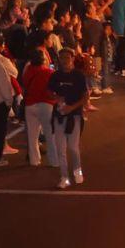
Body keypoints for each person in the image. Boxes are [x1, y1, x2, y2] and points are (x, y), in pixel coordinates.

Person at [48, 48, 89, 189]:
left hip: (74, 116)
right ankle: (64, 177)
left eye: (67, 57)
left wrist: (72, 107)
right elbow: (49, 91)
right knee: (60, 149)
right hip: (59, 115)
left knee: (73, 147)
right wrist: (56, 97)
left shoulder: (78, 76)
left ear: (72, 59)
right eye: (62, 57)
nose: (64, 60)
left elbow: (85, 96)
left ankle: (77, 171)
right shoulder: (55, 76)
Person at [22, 48, 59, 167]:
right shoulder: (48, 72)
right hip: (46, 104)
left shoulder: (27, 71)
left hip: (30, 105)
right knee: (50, 134)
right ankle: (54, 161)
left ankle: (34, 160)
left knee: (32, 136)